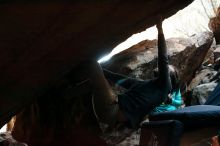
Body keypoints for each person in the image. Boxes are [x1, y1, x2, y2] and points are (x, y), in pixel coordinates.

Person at [77, 20, 172, 130]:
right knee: (92, 79)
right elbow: (119, 78)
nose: (168, 68)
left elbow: (163, 58)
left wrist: (160, 30)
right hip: (109, 112)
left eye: (170, 70)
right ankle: (64, 93)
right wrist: (100, 70)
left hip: (112, 110)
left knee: (92, 65)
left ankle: (68, 79)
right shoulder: (146, 85)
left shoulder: (164, 87)